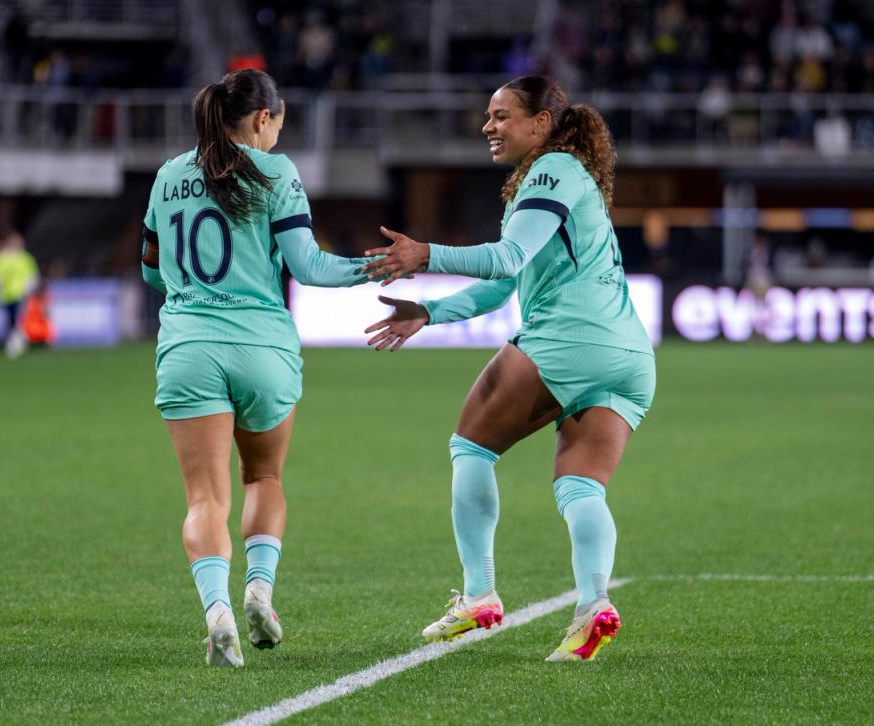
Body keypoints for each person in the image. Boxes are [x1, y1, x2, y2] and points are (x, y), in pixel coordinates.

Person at [362, 76, 655, 662]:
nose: (487, 127)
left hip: (568, 341)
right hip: (628, 356)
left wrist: (427, 255)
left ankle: (478, 594)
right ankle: (594, 605)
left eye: (500, 116)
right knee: (580, 485)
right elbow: (502, 286)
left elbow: (507, 257)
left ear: (541, 123)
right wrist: (431, 311)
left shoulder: (553, 171)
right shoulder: (565, 180)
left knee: (471, 447)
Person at [140, 68, 375, 667]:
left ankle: (217, 610)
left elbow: (149, 268)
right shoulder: (275, 171)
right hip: (262, 349)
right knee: (263, 479)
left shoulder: (168, 175)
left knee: (204, 500)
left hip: (189, 349)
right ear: (263, 118)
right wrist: (380, 268)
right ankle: (259, 591)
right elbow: (311, 268)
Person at [0, 231, 39, 357]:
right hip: (5, 294)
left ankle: (16, 343)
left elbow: (32, 275)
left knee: (17, 319)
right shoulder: (1, 258)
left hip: (20, 294)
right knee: (10, 319)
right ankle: (15, 341)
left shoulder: (25, 258)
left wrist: (29, 288)